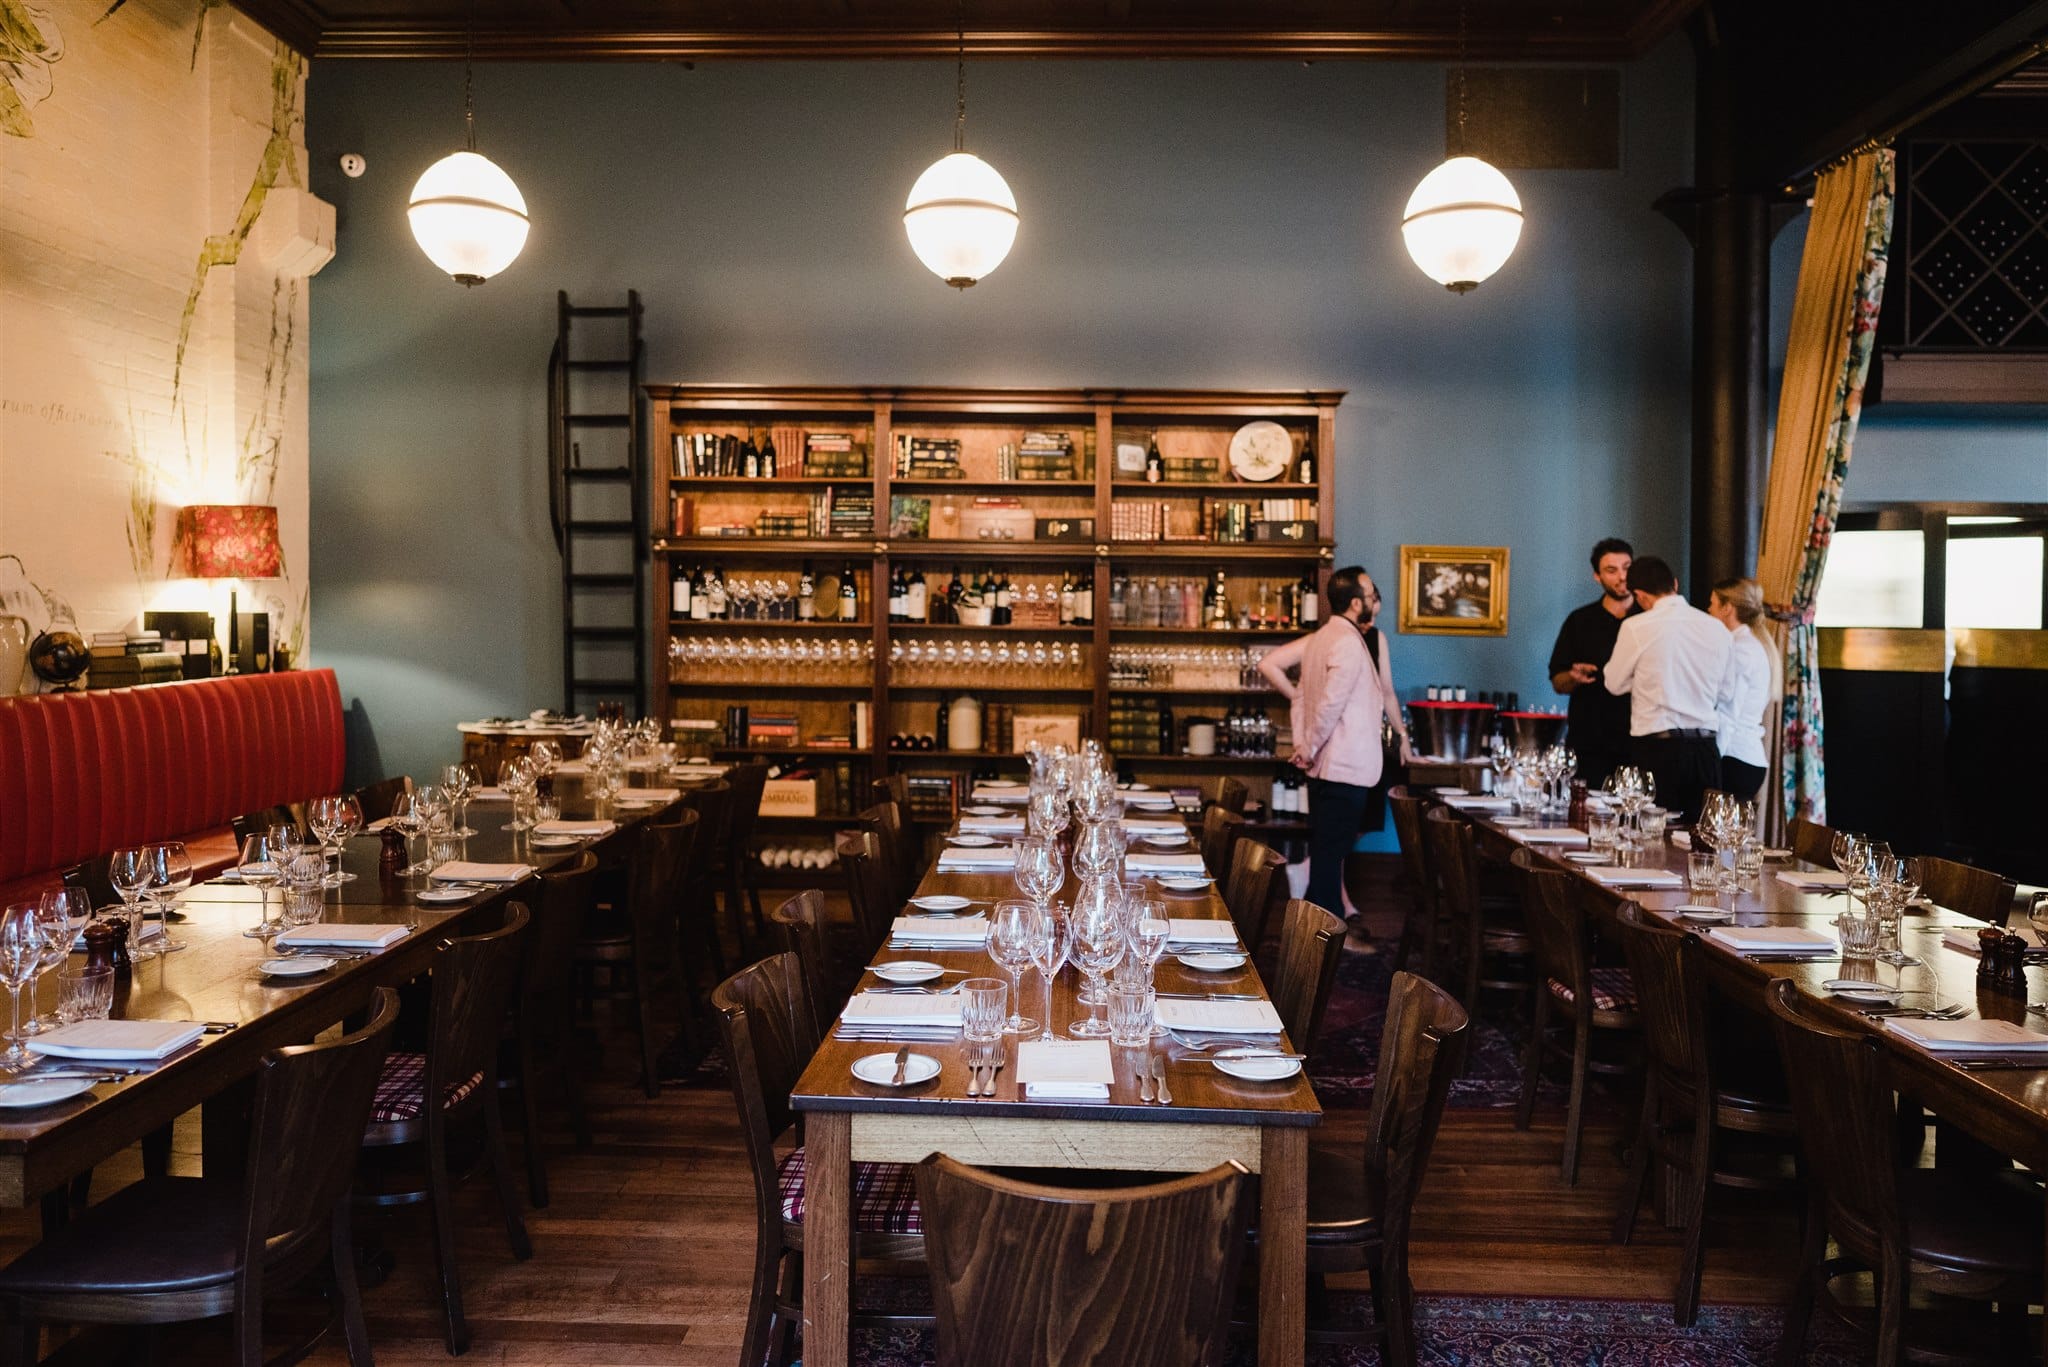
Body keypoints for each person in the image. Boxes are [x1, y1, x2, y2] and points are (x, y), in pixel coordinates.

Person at [1259, 568, 1413, 837]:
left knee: (1341, 834)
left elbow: (1386, 692)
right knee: (1332, 839)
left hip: (1355, 752)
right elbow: (1322, 699)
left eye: (1375, 615)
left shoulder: (1366, 639)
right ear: (1357, 605)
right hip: (1339, 755)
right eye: (1370, 612)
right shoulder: (1335, 640)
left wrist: (1402, 734)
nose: (1370, 621)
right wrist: (1301, 700)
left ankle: (1326, 875)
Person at [1289, 565, 1398, 921]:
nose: (1373, 600)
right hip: (1344, 768)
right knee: (1330, 855)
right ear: (1355, 603)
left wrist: (1304, 745)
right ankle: (1330, 933)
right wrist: (1308, 746)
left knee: (1325, 851)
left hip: (1322, 767)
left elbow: (1301, 698)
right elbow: (1328, 706)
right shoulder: (1349, 642)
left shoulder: (1321, 637)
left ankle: (1320, 935)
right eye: (1368, 594)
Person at [1601, 555, 1733, 824]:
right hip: (1705, 750)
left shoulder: (1636, 627)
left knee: (1652, 839)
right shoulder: (1716, 628)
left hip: (1658, 750)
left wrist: (1642, 681)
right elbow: (1726, 693)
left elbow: (1613, 684)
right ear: (1674, 584)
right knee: (1703, 840)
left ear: (1639, 596)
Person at [1547, 538, 1638, 787]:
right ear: (1597, 576)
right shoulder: (1580, 621)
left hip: (1640, 741)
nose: (1622, 576)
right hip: (1590, 740)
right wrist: (1572, 678)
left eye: (1627, 567)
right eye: (1612, 570)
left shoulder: (1649, 619)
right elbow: (1558, 681)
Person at [1707, 576, 1779, 801]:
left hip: (1735, 759)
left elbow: (1729, 712)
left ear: (1727, 608)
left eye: (1712, 603)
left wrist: (1710, 763)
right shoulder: (1752, 645)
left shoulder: (1741, 650)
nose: (1708, 610)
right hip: (1745, 759)